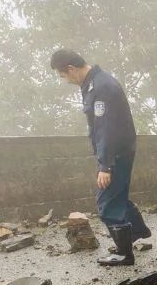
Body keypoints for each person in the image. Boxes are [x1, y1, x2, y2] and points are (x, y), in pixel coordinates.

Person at [50, 49, 150, 265]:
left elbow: (105, 129)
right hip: (118, 151)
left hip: (115, 154)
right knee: (118, 196)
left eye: (63, 76)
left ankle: (124, 254)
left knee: (107, 202)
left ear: (71, 69)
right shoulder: (94, 83)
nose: (65, 81)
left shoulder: (101, 87)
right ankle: (136, 233)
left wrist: (105, 165)